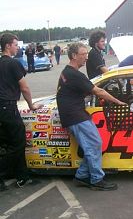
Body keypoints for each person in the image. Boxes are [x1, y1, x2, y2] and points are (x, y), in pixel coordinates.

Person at [56, 42, 126, 191]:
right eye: (83, 54)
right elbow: (98, 91)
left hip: (74, 114)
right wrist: (118, 101)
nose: (86, 58)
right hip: (76, 116)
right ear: (74, 56)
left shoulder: (67, 72)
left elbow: (77, 91)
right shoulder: (75, 74)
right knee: (94, 145)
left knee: (92, 146)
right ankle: (96, 180)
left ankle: (81, 176)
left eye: (87, 54)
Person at [0, 33, 43, 191]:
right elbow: (24, 87)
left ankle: (22, 177)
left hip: (3, 108)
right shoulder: (13, 63)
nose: (17, 48)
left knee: (9, 144)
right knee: (18, 144)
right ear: (7, 46)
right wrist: (31, 105)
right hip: (8, 108)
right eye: (16, 45)